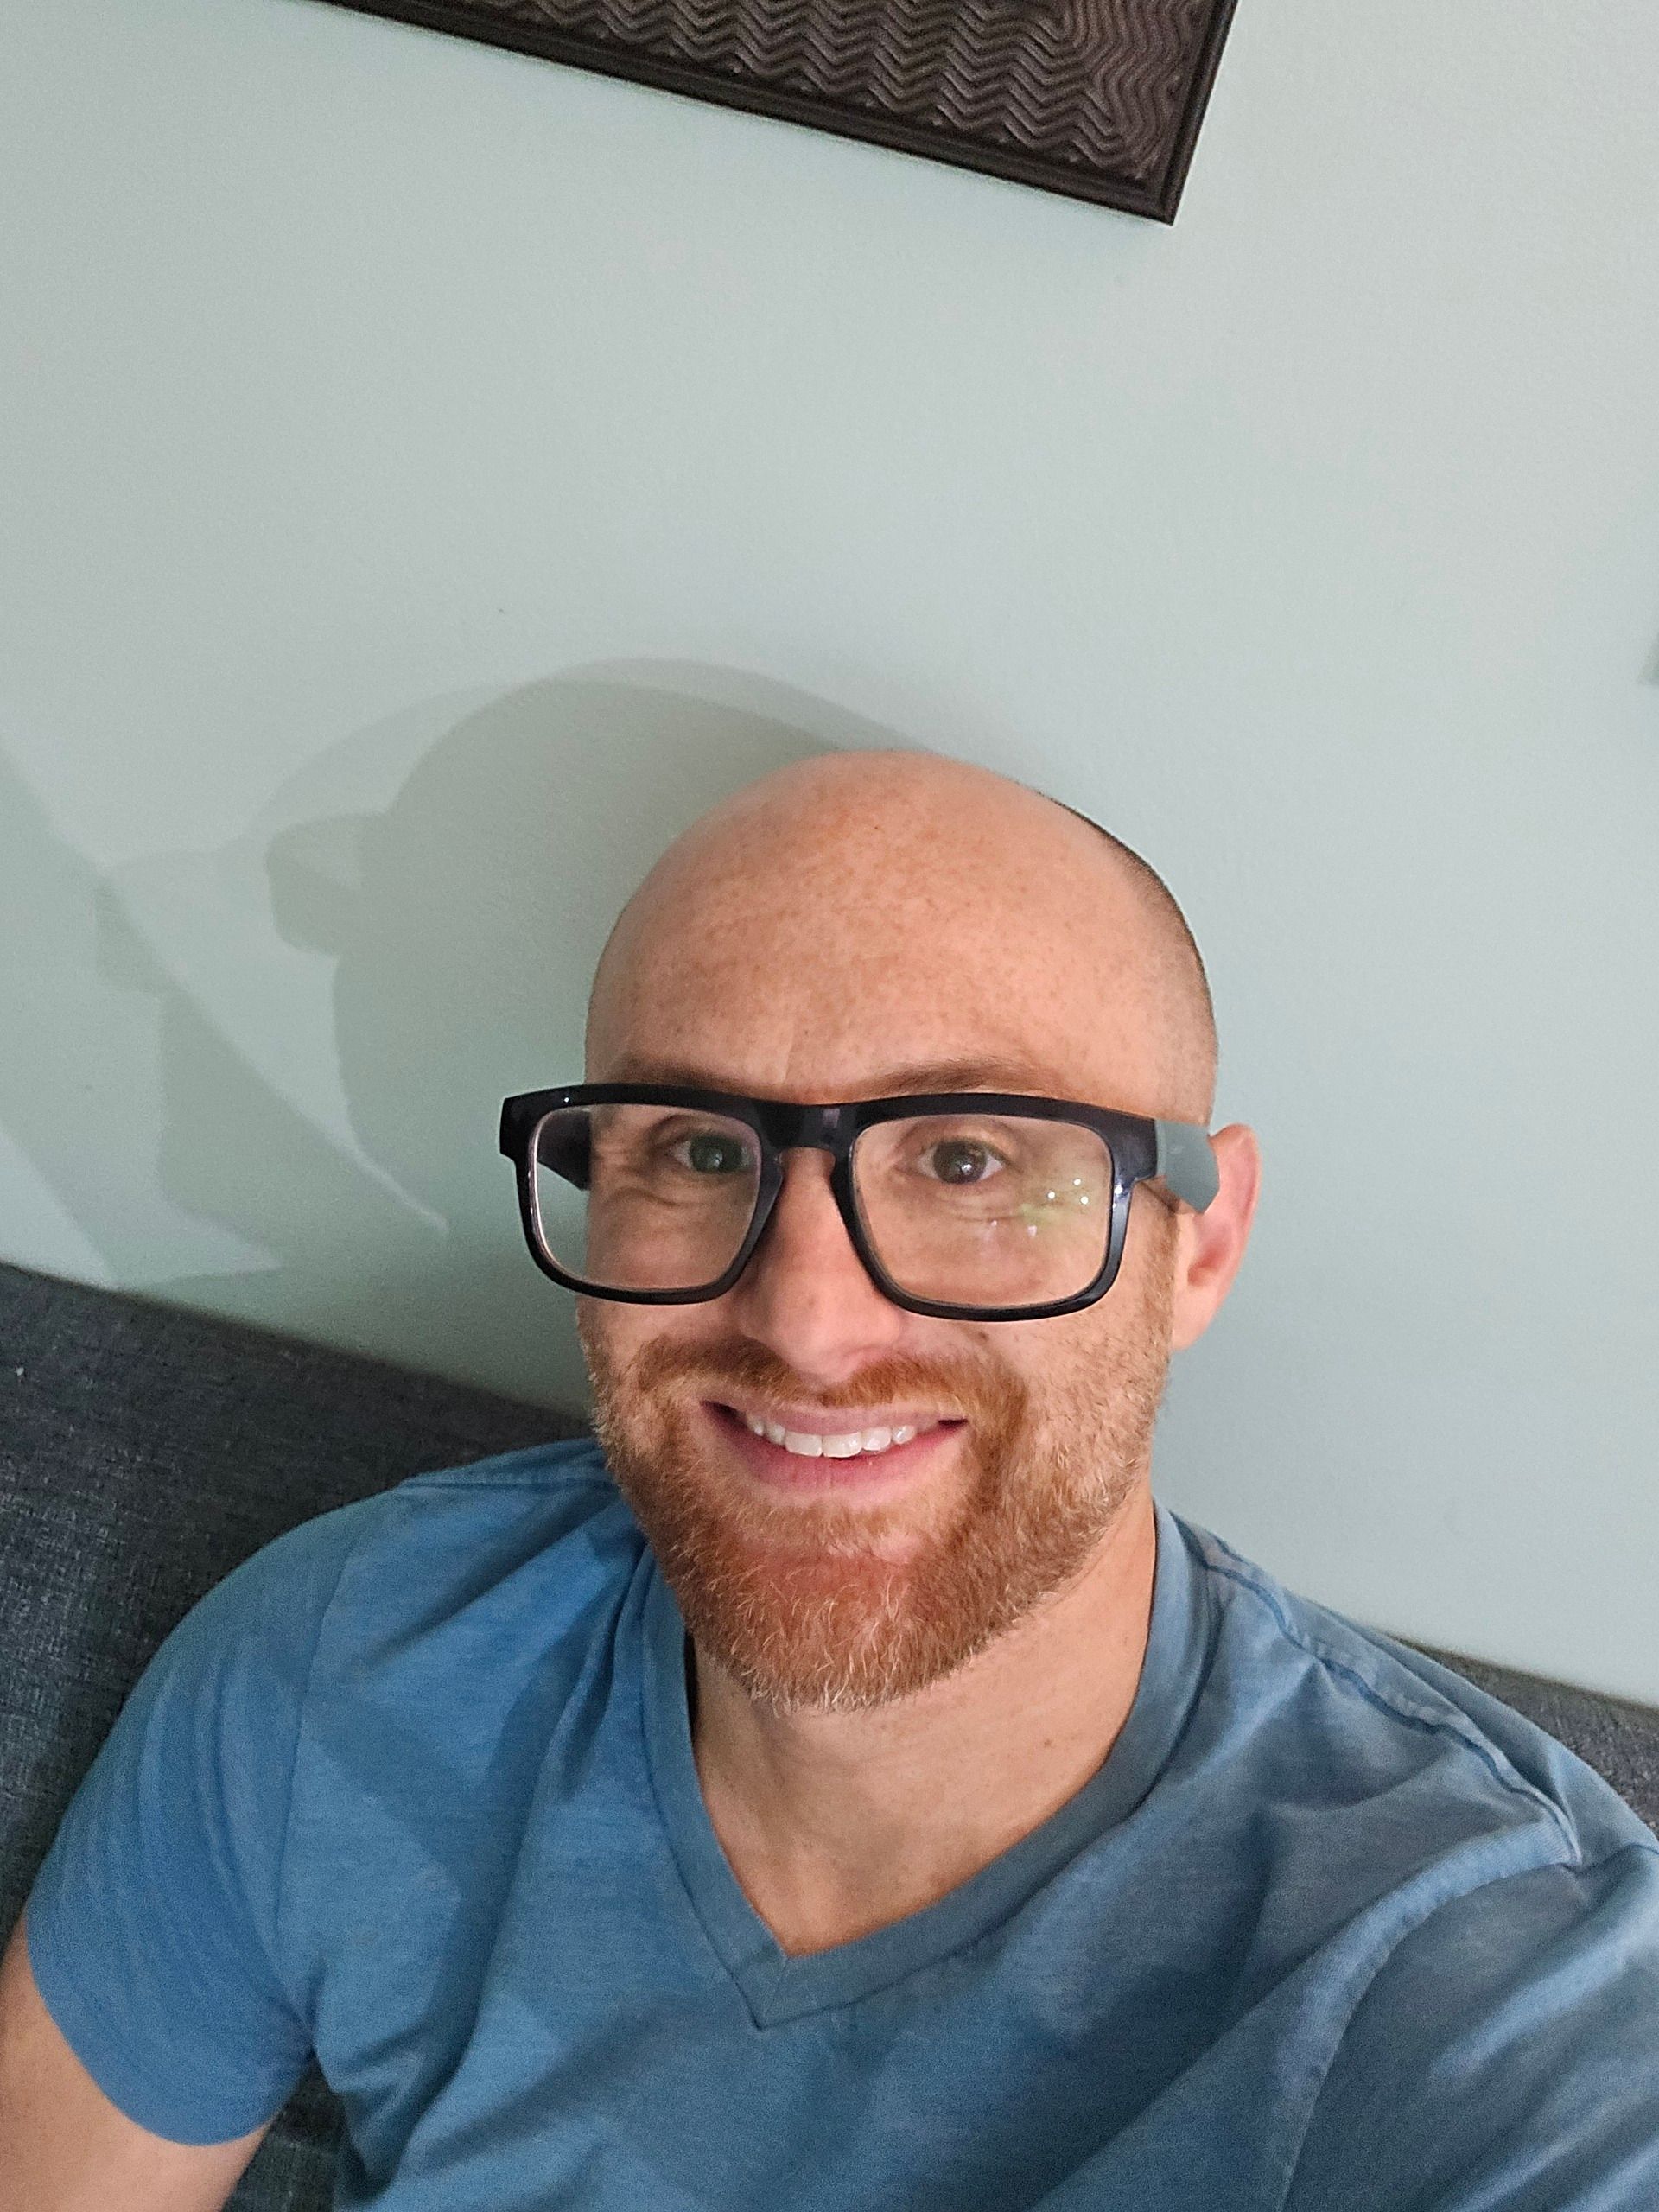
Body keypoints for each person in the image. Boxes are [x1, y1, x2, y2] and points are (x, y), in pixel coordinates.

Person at [2, 748, 1656, 2210]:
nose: (805, 1322)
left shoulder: (1489, 1992)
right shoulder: (334, 1665)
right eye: (699, 1149)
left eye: (968, 1158)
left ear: (1199, 1246)